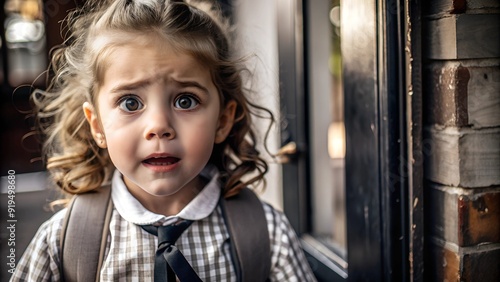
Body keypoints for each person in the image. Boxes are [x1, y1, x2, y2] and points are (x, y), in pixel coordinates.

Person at [10, 0, 316, 281]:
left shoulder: (266, 233)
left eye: (185, 101)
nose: (159, 127)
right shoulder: (63, 241)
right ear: (97, 125)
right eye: (131, 103)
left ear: (222, 120)